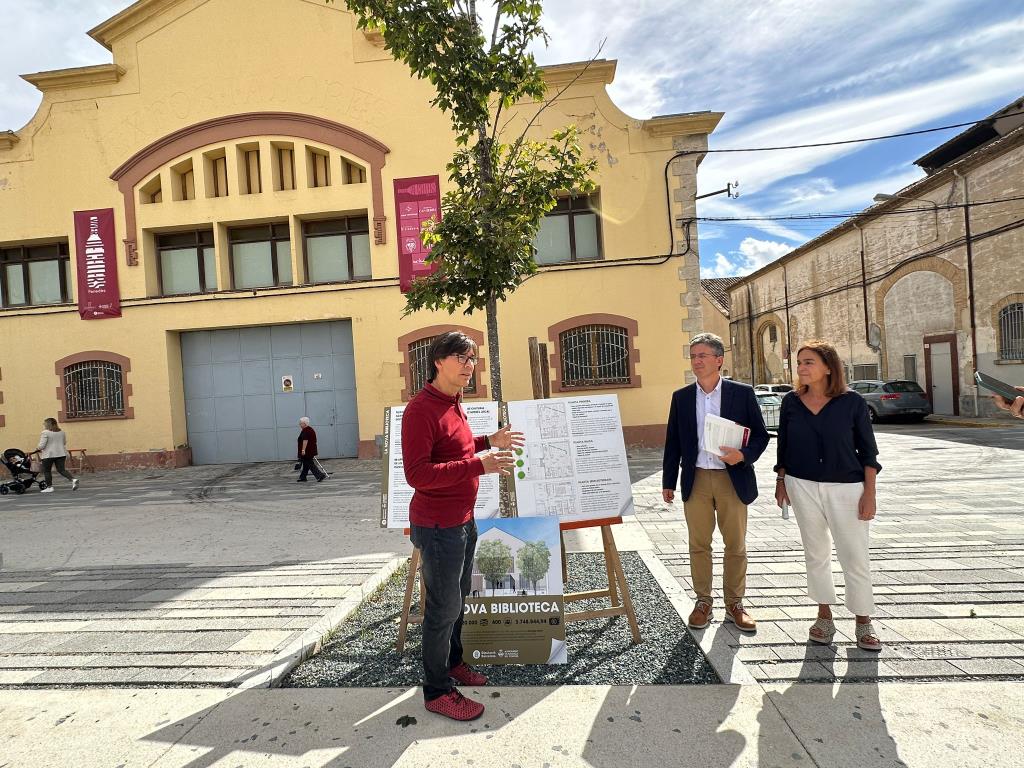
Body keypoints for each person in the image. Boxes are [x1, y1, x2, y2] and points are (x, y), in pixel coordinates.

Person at [402, 330, 523, 722]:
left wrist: (488, 440)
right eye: (462, 358)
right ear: (439, 361)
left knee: (458, 601)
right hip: (438, 526)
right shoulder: (421, 410)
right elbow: (418, 474)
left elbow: (455, 447)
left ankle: (453, 664)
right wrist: (479, 465)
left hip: (462, 520)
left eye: (472, 359)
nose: (469, 366)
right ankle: (436, 689)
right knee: (443, 607)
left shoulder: (454, 402)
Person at [774, 340, 883, 652]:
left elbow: (868, 452)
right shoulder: (791, 402)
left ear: (827, 367)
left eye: (808, 362)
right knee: (815, 552)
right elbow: (784, 445)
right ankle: (824, 616)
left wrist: (869, 494)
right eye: (799, 363)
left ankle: (863, 621)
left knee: (854, 554)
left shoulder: (852, 403)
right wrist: (781, 480)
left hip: (847, 487)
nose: (802, 368)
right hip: (801, 484)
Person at [662, 332, 770, 633]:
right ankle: (703, 602)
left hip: (731, 479)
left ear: (719, 360)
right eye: (693, 356)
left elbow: (761, 436)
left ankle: (735, 603)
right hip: (695, 479)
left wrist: (743, 456)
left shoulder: (742, 393)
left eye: (702, 356)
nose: (696, 361)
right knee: (699, 544)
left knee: (735, 545)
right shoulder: (681, 397)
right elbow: (673, 442)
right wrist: (668, 481)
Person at [36, 417, 78, 493]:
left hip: (49, 455)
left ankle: (49, 487)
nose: (43, 425)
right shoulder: (62, 432)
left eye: (44, 423)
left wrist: (38, 448)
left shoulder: (45, 432)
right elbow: (64, 442)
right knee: (62, 470)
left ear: (47, 424)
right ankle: (73, 479)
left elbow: (42, 445)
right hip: (61, 453)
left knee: (47, 471)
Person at [296, 417, 326, 482]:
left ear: (304, 424)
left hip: (307, 451)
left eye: (300, 423)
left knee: (310, 464)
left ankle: (320, 475)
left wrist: (303, 450)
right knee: (306, 464)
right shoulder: (310, 429)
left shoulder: (306, 430)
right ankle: (302, 477)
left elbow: (305, 440)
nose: (300, 425)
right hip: (310, 450)